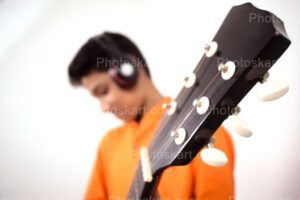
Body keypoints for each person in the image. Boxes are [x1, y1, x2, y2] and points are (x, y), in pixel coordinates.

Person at [68, 31, 235, 199]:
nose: (103, 107)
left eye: (103, 91)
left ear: (128, 70)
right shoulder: (108, 144)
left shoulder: (205, 133)